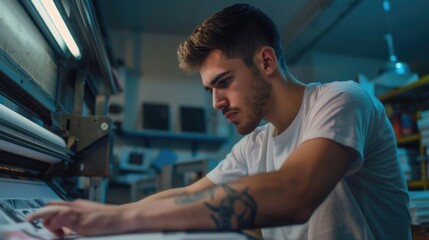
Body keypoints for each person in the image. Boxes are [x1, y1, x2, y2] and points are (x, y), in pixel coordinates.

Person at [27, 3, 411, 239]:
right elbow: (189, 195)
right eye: (209, 89)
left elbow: (295, 192)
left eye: (223, 82)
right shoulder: (253, 146)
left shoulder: (341, 99)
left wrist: (120, 220)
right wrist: (109, 213)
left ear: (265, 62)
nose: (216, 102)